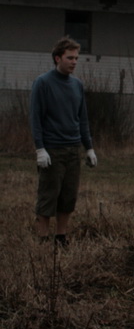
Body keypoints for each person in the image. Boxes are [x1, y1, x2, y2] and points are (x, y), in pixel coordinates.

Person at [29, 36, 97, 246]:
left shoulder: (77, 85)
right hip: (52, 149)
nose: (74, 62)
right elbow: (35, 118)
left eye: (76, 58)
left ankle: (61, 237)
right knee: (48, 195)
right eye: (70, 57)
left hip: (72, 149)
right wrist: (40, 148)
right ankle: (42, 238)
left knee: (68, 197)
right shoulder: (43, 83)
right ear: (58, 58)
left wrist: (89, 148)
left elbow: (82, 119)